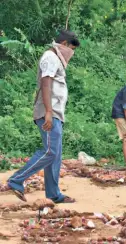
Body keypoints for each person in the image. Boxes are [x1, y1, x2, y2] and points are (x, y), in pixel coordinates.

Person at [7, 30, 80, 203]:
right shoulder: (50, 57)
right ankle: (16, 180)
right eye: (71, 47)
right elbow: (46, 84)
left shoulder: (57, 59)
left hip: (56, 113)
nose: (72, 51)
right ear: (63, 44)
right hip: (49, 112)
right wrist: (48, 111)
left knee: (56, 155)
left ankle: (54, 194)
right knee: (50, 151)